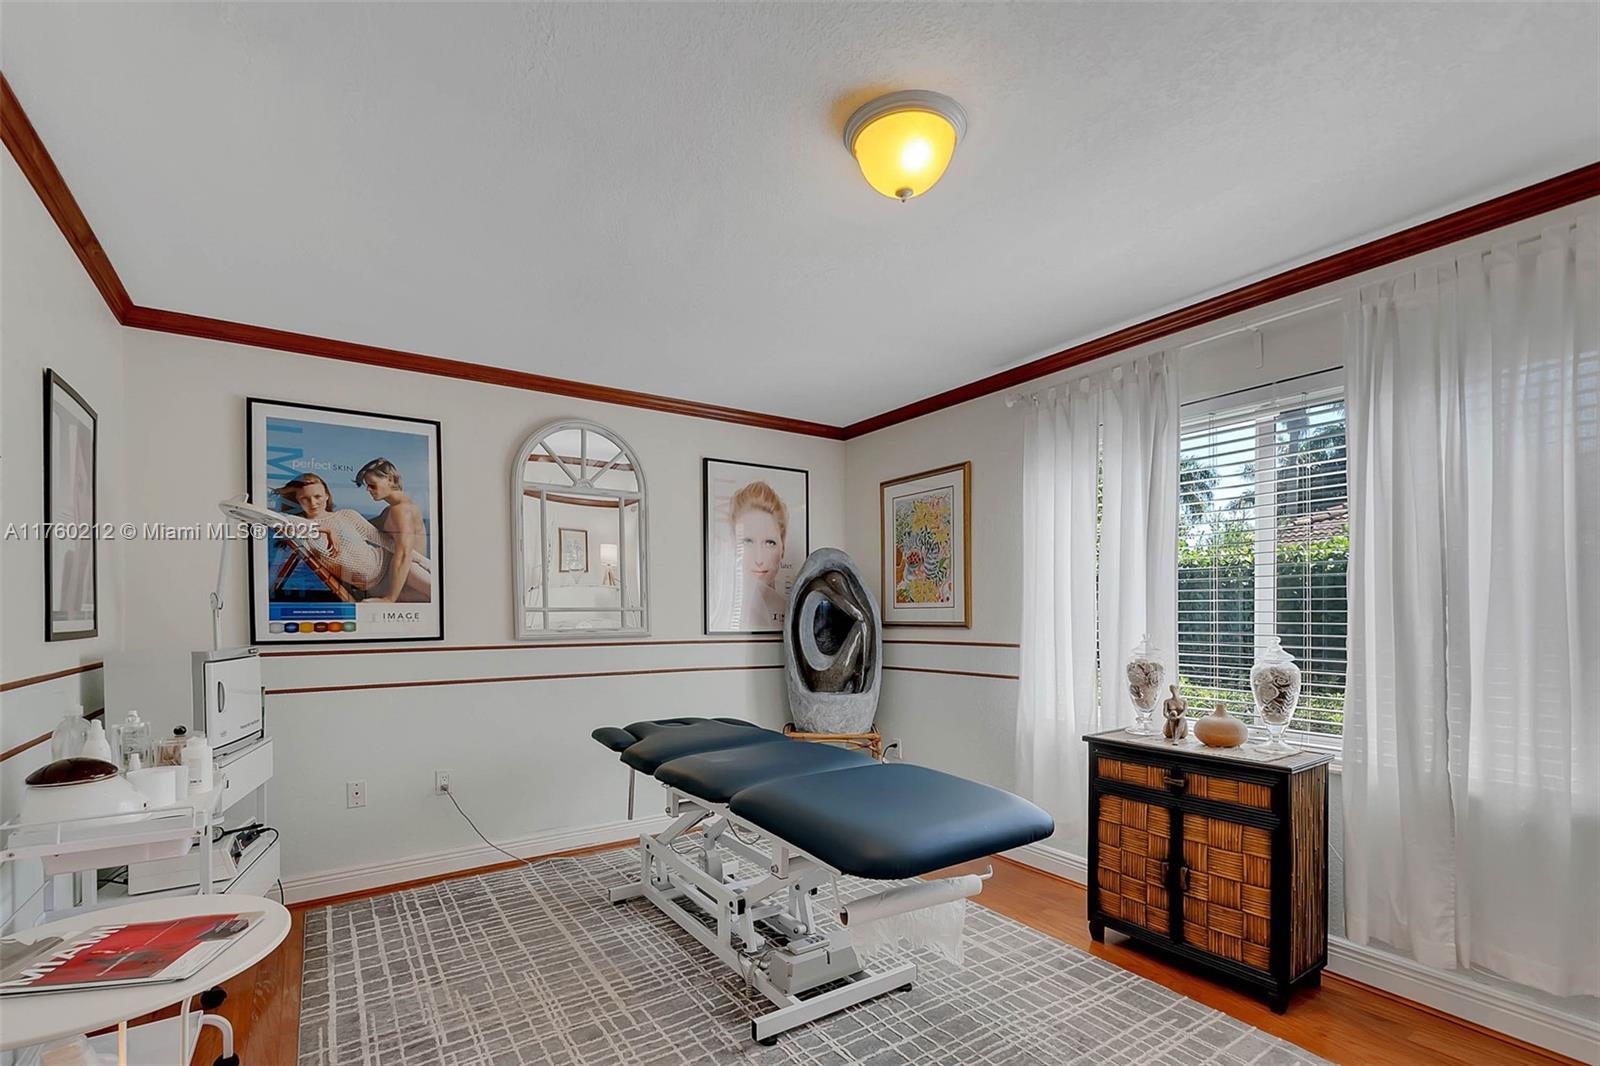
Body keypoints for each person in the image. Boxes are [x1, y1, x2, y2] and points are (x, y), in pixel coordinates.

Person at [353, 458, 433, 603]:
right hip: (408, 578)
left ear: (389, 480)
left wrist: (389, 599)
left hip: (412, 575)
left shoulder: (401, 510)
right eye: (367, 485)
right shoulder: (391, 510)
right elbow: (363, 527)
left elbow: (403, 555)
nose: (368, 489)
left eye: (372, 484)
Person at [724, 481, 789, 630]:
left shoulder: (790, 612)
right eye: (747, 541)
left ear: (783, 547)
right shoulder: (724, 609)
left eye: (770, 543)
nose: (759, 559)